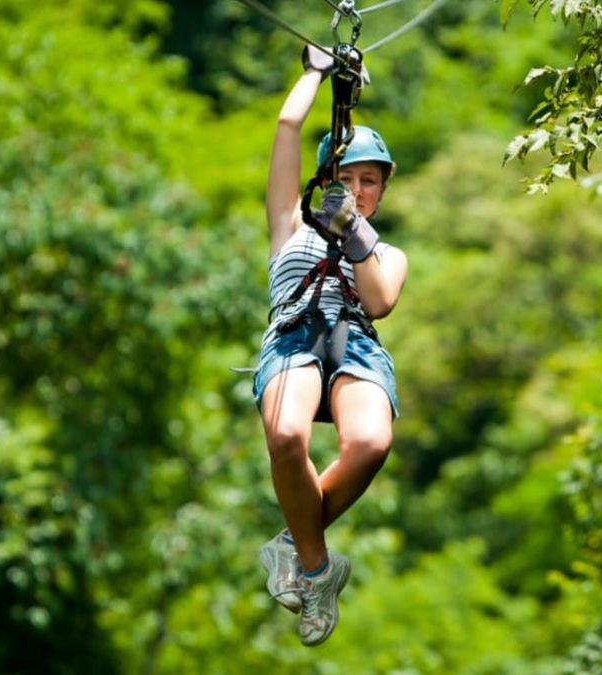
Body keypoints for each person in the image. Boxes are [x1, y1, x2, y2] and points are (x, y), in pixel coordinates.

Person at [252, 45, 408, 647]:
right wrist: (316, 74)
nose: (357, 189)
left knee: (370, 441)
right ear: (325, 181)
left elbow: (380, 301)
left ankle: (295, 543)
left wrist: (355, 233)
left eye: (369, 182)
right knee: (288, 437)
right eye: (346, 178)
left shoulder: (387, 252)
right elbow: (288, 126)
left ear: (382, 193)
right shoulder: (289, 224)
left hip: (356, 345)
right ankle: (317, 569)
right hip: (294, 334)